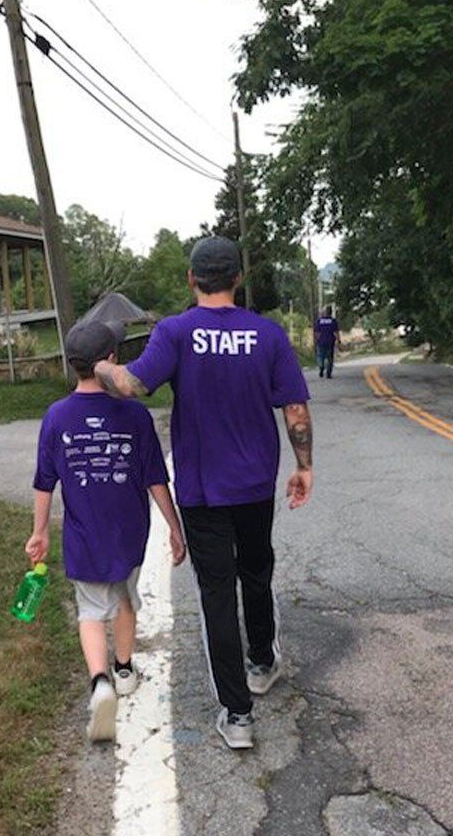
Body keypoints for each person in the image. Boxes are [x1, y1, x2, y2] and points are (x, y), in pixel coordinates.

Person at [93, 236, 313, 752]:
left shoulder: (175, 332)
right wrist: (304, 466)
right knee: (257, 572)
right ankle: (262, 663)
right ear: (237, 279)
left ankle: (238, 715)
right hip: (256, 484)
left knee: (217, 591)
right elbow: (296, 411)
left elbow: (132, 385)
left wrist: (99, 368)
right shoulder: (269, 334)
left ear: (192, 280)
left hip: (202, 490)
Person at [25, 319, 186, 743]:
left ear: (71, 364)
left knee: (90, 609)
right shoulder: (135, 414)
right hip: (129, 533)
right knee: (123, 600)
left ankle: (99, 682)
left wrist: (39, 532)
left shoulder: (56, 417)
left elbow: (45, 482)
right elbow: (155, 478)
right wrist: (175, 528)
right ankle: (126, 669)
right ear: (112, 361)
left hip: (83, 535)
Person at [314, 305, 341, 379]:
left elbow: (317, 333)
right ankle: (328, 373)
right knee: (330, 358)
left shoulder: (319, 321)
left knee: (320, 356)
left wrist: (316, 340)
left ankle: (321, 367)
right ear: (331, 312)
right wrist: (338, 340)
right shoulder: (333, 321)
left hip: (321, 342)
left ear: (325, 312)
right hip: (330, 342)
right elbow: (335, 332)